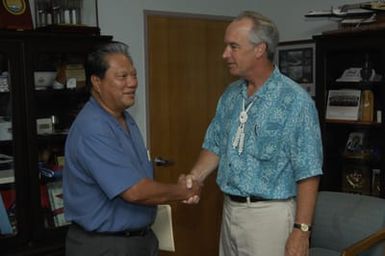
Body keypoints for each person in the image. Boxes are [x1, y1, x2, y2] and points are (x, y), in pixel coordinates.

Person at [184, 11, 323, 256]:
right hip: (230, 212)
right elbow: (215, 144)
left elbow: (308, 171)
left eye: (233, 46)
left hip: (270, 217)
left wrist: (302, 231)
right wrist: (195, 178)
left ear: (260, 49)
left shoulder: (294, 102)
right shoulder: (230, 96)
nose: (225, 54)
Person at [63, 41, 201, 256]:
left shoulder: (124, 118)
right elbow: (134, 192)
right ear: (97, 82)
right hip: (105, 246)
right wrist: (183, 190)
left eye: (134, 75)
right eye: (122, 77)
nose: (133, 83)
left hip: (138, 240)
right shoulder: (93, 127)